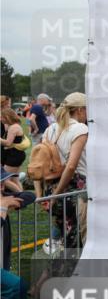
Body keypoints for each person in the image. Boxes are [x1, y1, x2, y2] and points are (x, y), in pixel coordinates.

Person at [38, 92, 89, 249]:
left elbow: (38, 164)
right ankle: (58, 271)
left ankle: (49, 271)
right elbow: (71, 166)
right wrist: (57, 194)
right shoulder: (80, 128)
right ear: (80, 110)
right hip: (73, 191)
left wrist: (42, 195)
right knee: (76, 240)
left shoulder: (50, 129)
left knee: (63, 233)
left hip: (52, 188)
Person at [1, 108, 28, 176]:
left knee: (5, 179)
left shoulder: (13, 127)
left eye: (2, 117)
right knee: (14, 179)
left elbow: (8, 143)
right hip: (16, 155)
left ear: (7, 117)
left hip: (14, 156)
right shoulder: (13, 126)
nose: (0, 119)